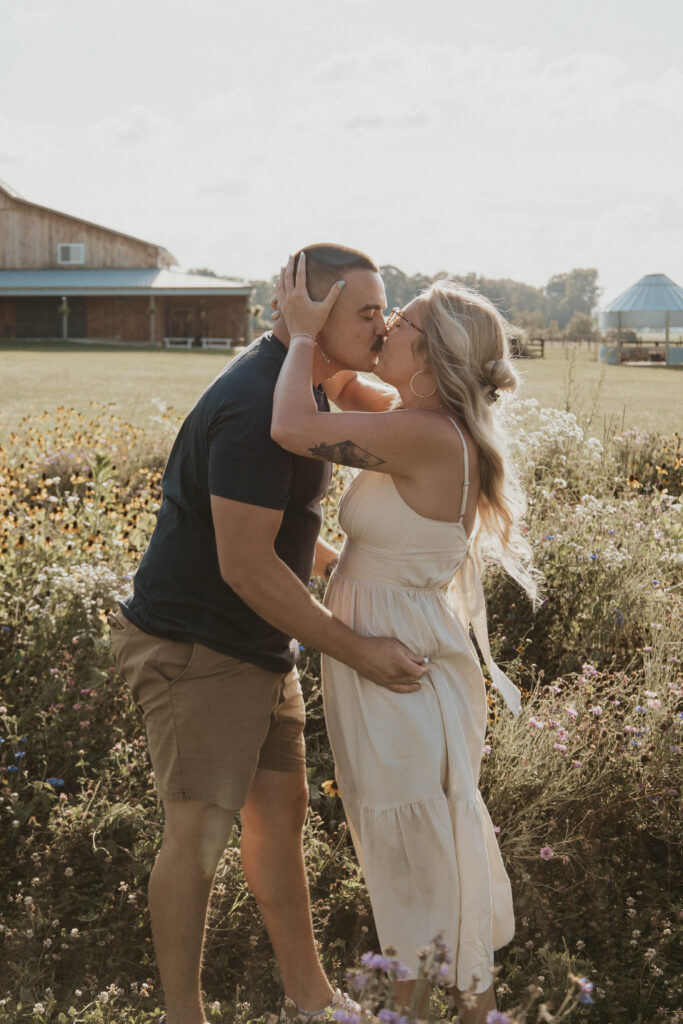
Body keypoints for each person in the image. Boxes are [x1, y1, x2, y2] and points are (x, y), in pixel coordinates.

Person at [108, 244, 429, 1024]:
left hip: (255, 644)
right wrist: (359, 648)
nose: (380, 323)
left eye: (384, 310)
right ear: (310, 313)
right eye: (365, 311)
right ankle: (182, 1016)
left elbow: (283, 522)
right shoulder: (258, 405)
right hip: (196, 648)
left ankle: (309, 1000)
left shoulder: (307, 382)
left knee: (278, 824)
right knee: (197, 837)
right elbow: (246, 565)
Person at [271, 255, 539, 1024]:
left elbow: (293, 424)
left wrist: (296, 339)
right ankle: (447, 1011)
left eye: (403, 321)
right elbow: (349, 385)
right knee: (412, 840)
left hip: (395, 656)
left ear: (431, 355)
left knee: (414, 845)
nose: (387, 326)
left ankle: (419, 1012)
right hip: (390, 638)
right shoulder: (418, 419)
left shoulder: (424, 433)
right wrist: (325, 332)